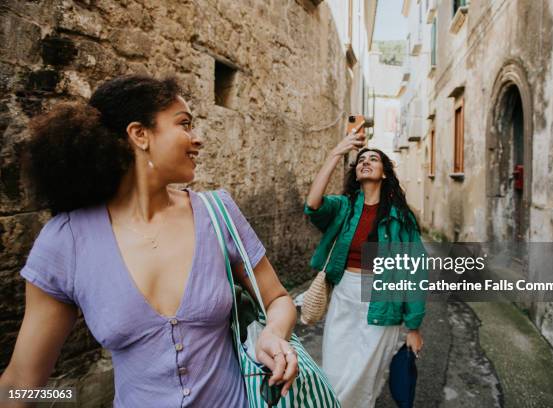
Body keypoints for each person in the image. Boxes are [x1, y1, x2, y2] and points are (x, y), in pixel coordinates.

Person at [0, 75, 298, 407]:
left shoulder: (218, 214)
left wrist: (273, 334)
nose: (196, 139)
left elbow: (278, 299)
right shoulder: (66, 241)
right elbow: (20, 383)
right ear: (140, 134)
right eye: (184, 124)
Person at [304, 130, 426, 408]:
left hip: (385, 303)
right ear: (356, 173)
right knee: (334, 372)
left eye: (373, 158)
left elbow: (415, 272)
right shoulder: (344, 208)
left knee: (363, 378)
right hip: (345, 295)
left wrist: (414, 327)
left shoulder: (401, 218)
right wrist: (337, 152)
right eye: (361, 160)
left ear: (384, 173)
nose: (366, 161)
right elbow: (312, 205)